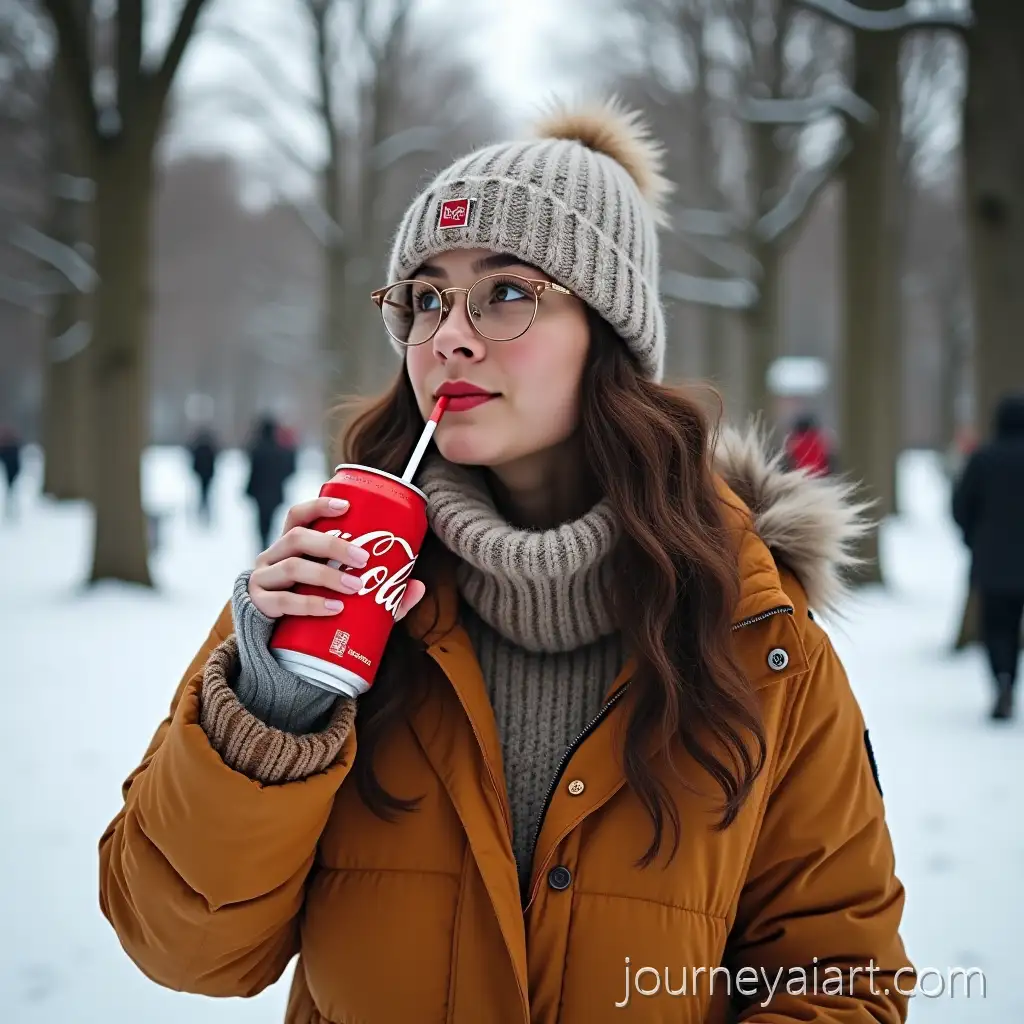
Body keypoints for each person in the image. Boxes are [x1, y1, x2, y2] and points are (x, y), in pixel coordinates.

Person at [99, 101, 913, 1022]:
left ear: (607, 332)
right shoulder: (330, 588)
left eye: (508, 291)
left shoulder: (757, 637)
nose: (449, 334)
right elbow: (183, 948)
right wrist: (276, 709)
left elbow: (843, 980)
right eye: (424, 297)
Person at [952, 393, 1024, 721]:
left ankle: (1002, 682)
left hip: (992, 562)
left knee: (996, 628)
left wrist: (973, 540)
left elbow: (960, 505)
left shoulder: (982, 459)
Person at [244, 414, 294, 551]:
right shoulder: (280, 450)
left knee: (261, 521)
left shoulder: (256, 449)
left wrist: (249, 489)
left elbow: (253, 472)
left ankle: (263, 544)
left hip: (259, 492)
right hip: (274, 493)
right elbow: (288, 471)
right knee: (270, 520)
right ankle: (266, 545)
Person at [783, 412, 833, 477]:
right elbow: (829, 459)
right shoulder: (821, 440)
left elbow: (788, 461)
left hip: (800, 478)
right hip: (820, 477)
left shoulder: (794, 441)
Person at [188, 427, 218, 524]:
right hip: (207, 475)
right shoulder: (209, 448)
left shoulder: (200, 448)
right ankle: (205, 511)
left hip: (202, 475)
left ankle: (202, 511)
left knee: (202, 493)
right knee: (206, 493)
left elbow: (195, 460)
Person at [0, 426, 22, 521]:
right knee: (11, 490)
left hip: (12, 473)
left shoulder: (13, 448)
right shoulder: (8, 448)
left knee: (12, 490)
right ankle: (10, 507)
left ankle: (11, 507)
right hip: (10, 473)